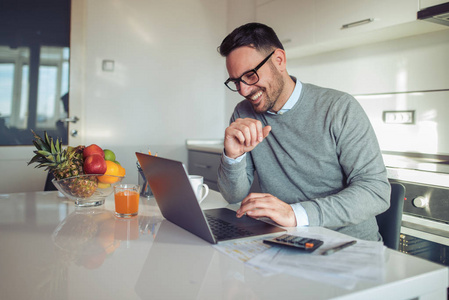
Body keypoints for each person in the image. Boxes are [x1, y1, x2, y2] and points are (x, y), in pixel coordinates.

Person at [217, 22, 390, 241]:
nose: (243, 90)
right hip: (287, 241)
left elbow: (376, 192)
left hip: (348, 249)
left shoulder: (339, 107)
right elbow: (233, 196)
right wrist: (232, 156)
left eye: (250, 75)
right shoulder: (243, 114)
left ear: (279, 60)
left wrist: (295, 214)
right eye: (236, 81)